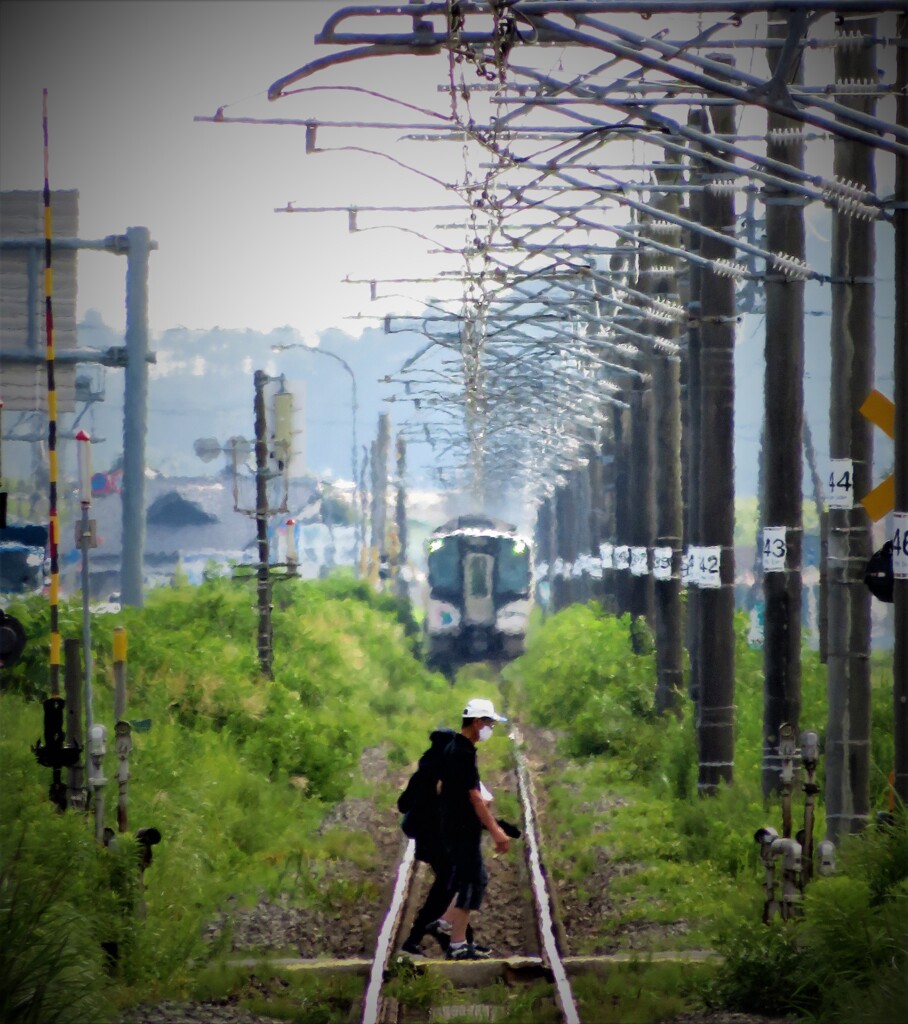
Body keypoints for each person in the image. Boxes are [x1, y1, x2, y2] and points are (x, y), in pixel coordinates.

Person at [434, 697, 511, 961]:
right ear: (477, 722)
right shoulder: (462, 753)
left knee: (472, 879)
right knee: (472, 882)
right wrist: (496, 830)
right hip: (461, 827)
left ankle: (445, 924)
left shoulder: (456, 748)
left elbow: (446, 787)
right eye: (489, 723)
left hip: (455, 824)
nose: (491, 728)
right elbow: (474, 797)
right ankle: (456, 945)